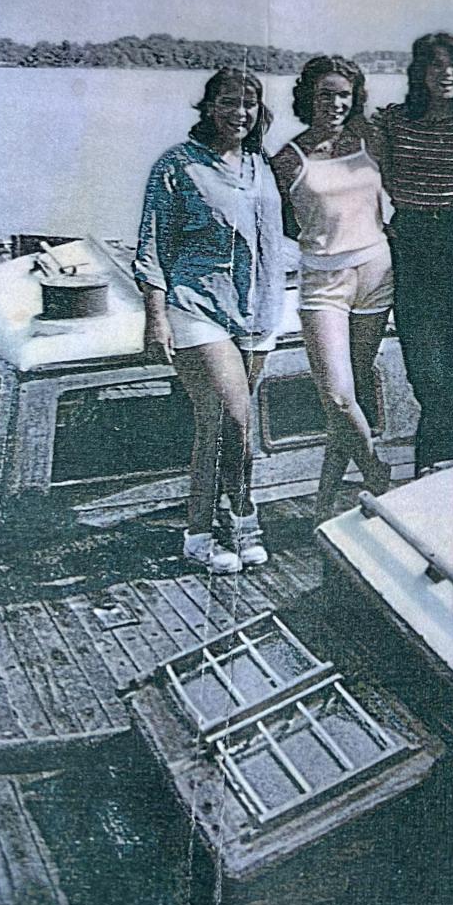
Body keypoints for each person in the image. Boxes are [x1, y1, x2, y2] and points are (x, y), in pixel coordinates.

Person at [134, 66, 287, 574]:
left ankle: (202, 530)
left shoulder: (261, 163)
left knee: (218, 429)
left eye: (247, 104)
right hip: (197, 305)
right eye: (227, 103)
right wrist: (156, 318)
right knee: (232, 418)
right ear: (208, 107)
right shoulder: (177, 166)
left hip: (259, 310)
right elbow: (152, 247)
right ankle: (240, 518)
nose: (237, 113)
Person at [271, 56, 392, 519]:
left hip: (377, 275)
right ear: (307, 98)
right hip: (323, 283)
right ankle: (379, 476)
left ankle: (323, 506)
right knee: (339, 398)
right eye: (326, 94)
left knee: (351, 401)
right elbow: (278, 222)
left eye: (345, 94)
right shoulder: (287, 158)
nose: (336, 103)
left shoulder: (370, 141)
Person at [373, 33, 453, 473]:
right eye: (436, 64)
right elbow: (366, 170)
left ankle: (438, 468)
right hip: (412, 238)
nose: (447, 73)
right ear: (419, 72)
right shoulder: (394, 120)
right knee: (423, 365)